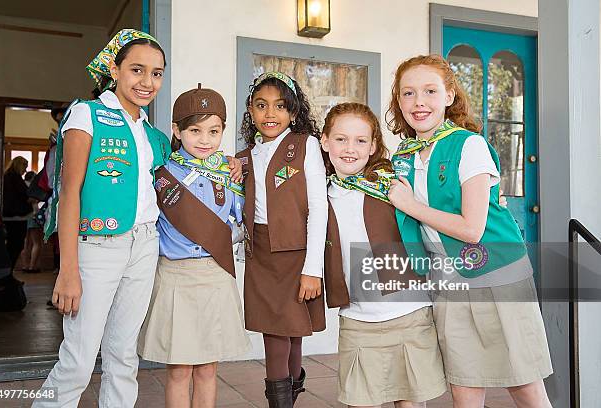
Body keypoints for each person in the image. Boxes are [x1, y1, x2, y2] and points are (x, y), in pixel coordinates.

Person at [386, 54, 552, 407]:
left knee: (524, 387)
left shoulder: (469, 145)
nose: (418, 103)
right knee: (464, 391)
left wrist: (409, 204)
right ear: (398, 101)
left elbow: (472, 229)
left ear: (449, 96)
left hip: (498, 274)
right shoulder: (404, 156)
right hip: (447, 279)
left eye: (430, 91)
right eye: (408, 93)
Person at [33, 29, 173, 408]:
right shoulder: (86, 114)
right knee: (79, 359)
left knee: (124, 356)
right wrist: (68, 269)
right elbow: (69, 193)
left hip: (145, 245)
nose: (147, 82)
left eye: (157, 73)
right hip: (96, 246)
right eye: (137, 70)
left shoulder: (154, 135)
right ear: (115, 69)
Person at [321, 102, 446, 408]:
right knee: (359, 401)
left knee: (409, 401)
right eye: (340, 139)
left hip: (409, 313)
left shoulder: (392, 184)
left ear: (373, 145)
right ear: (324, 141)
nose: (350, 148)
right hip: (357, 319)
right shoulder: (318, 193)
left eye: (361, 140)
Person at [138, 85, 251, 407]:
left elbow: (240, 218)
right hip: (175, 278)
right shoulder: (161, 173)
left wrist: (239, 172)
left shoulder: (228, 174)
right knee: (178, 371)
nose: (205, 140)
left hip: (215, 276)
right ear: (177, 130)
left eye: (214, 131)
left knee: (207, 369)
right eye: (195, 130)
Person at [236, 71, 327, 407]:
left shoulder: (305, 145)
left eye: (279, 106)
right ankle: (288, 393)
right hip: (261, 254)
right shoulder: (244, 157)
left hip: (297, 255)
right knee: (276, 332)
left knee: (291, 331)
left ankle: (290, 389)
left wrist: (312, 267)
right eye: (261, 106)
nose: (269, 114)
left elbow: (318, 207)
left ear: (293, 112)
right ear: (251, 108)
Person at [2, 156, 33, 270]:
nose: (25, 170)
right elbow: (25, 195)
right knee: (16, 245)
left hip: (8, 216)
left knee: (11, 245)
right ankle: (8, 272)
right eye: (25, 166)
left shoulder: (6, 177)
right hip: (17, 217)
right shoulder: (15, 178)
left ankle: (7, 273)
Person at [22, 170, 43, 273]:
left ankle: (25, 265)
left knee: (26, 242)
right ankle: (32, 266)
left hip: (25, 216)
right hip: (34, 215)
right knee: (36, 243)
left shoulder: (23, 187)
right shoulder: (34, 189)